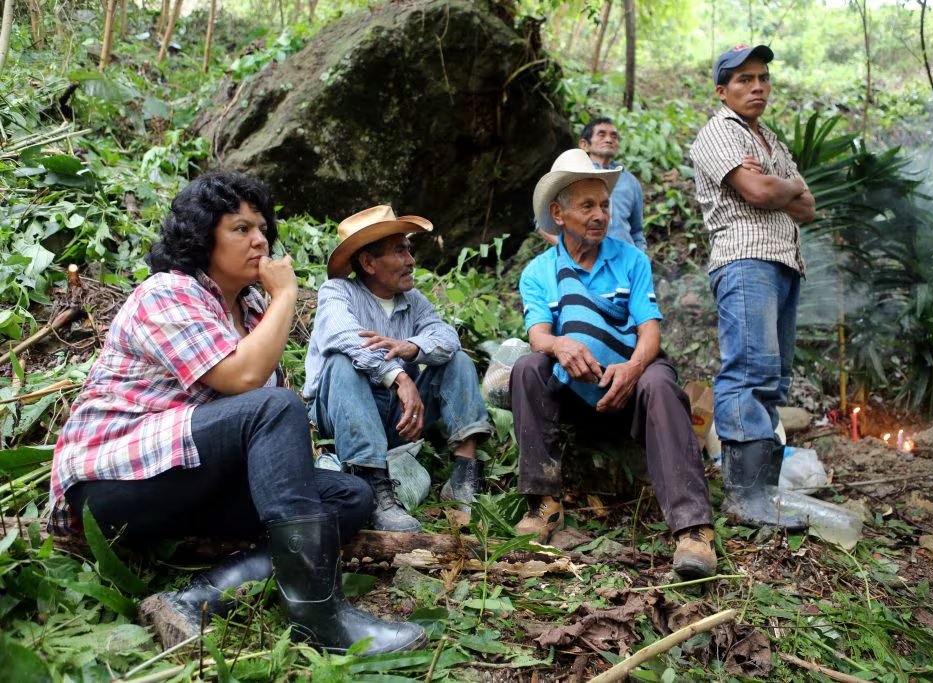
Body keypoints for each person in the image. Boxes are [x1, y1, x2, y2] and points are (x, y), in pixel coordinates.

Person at [48, 172, 425, 654]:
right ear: (202, 237)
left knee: (349, 496)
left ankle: (201, 597)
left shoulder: (250, 313)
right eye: (240, 229)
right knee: (272, 407)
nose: (260, 240)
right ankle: (318, 615)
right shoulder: (167, 292)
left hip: (191, 481)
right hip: (113, 489)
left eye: (263, 229)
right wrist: (286, 296)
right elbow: (242, 381)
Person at [510, 149, 716, 579]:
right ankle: (543, 503)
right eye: (587, 206)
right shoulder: (538, 273)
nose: (600, 215)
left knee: (660, 382)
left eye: (604, 205)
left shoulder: (631, 261)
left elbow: (650, 333)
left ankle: (693, 530)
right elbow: (538, 334)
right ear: (558, 213)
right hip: (575, 390)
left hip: (630, 379)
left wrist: (633, 368)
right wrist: (559, 345)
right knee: (529, 367)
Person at [303, 206, 493, 532]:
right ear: (368, 263)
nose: (411, 260)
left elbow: (446, 337)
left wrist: (412, 347)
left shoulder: (414, 300)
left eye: (409, 249)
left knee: (456, 358)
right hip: (344, 413)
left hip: (400, 418)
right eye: (399, 251)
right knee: (341, 362)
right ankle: (373, 485)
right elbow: (343, 336)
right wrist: (399, 375)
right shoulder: (337, 292)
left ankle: (464, 473)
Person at [689, 45, 817, 528]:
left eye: (762, 77)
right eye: (743, 79)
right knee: (749, 370)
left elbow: (807, 208)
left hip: (783, 262)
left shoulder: (772, 142)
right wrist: (782, 187)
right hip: (746, 260)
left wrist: (778, 187)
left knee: (774, 377)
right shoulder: (719, 132)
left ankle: (761, 492)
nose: (757, 86)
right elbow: (762, 192)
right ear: (722, 91)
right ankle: (744, 496)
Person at [539, 117, 647, 252]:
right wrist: (571, 253)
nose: (609, 139)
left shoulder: (629, 181)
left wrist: (639, 258)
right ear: (584, 144)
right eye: (601, 134)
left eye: (614, 136)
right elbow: (542, 223)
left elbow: (637, 231)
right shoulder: (572, 175)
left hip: (625, 264)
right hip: (584, 262)